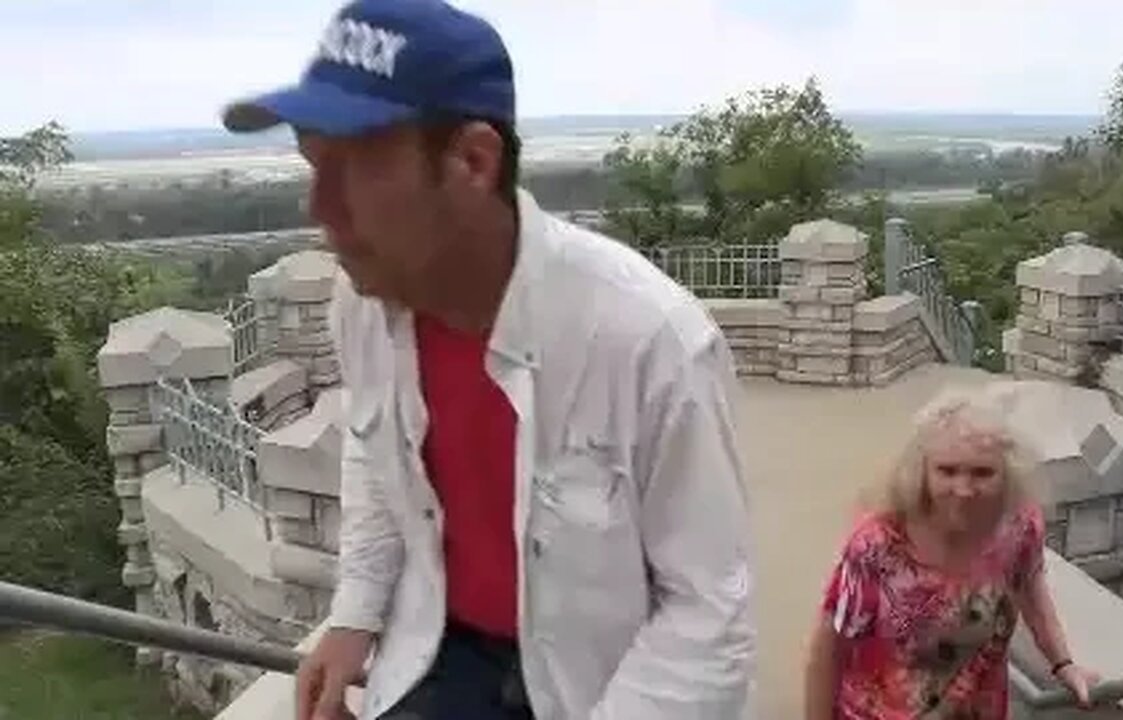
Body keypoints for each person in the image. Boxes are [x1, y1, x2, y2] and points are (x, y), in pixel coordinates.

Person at [220, 1, 755, 718]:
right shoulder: (365, 308)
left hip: (604, 683)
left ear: (472, 161)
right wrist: (354, 615)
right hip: (445, 650)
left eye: (355, 167)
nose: (319, 207)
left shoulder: (649, 340)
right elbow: (375, 456)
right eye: (313, 166)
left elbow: (707, 615)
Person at [803, 386, 1098, 719]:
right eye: (947, 470)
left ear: (1009, 473)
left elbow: (1030, 586)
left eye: (982, 472)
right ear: (922, 471)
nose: (964, 489)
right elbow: (828, 649)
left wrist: (1063, 663)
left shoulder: (1019, 526)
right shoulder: (876, 546)